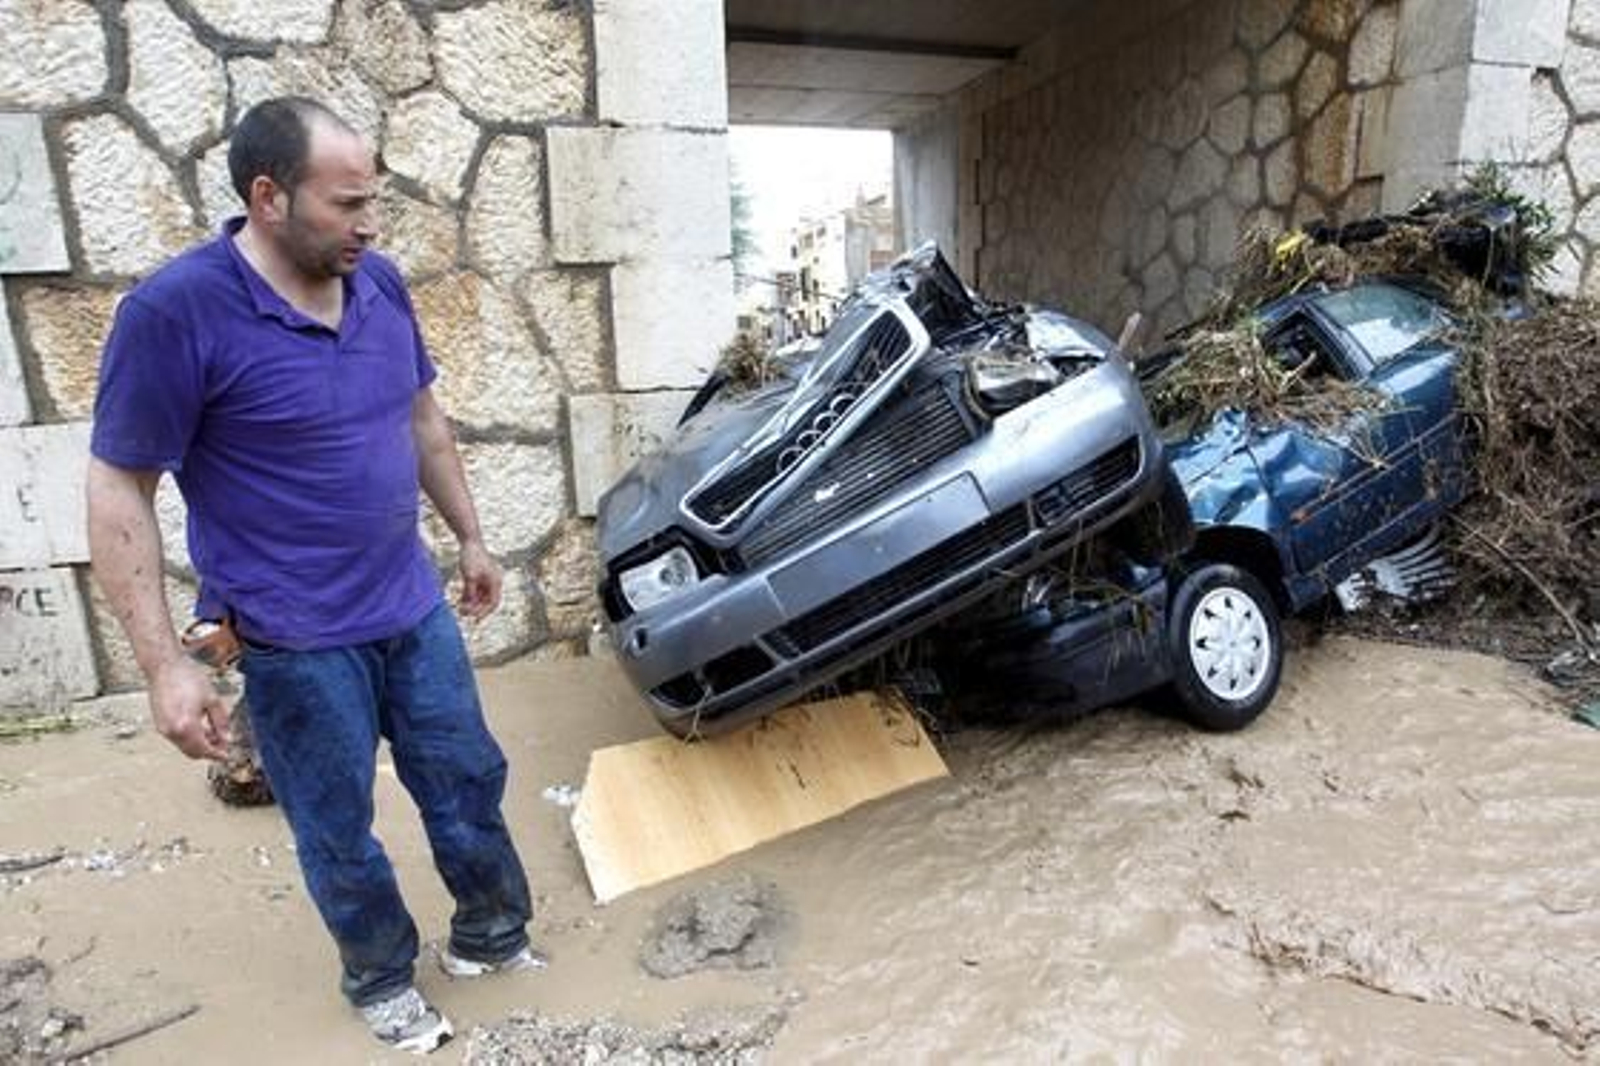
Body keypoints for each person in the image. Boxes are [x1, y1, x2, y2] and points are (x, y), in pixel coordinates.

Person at [86, 96, 538, 1055]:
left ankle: (493, 938)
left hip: (411, 607)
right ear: (267, 197)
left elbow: (421, 417)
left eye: (373, 201)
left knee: (466, 777)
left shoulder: (376, 285)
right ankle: (380, 976)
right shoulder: (176, 312)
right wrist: (167, 664)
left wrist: (469, 536)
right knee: (336, 823)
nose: (369, 225)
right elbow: (120, 484)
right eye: (346, 205)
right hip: (291, 638)